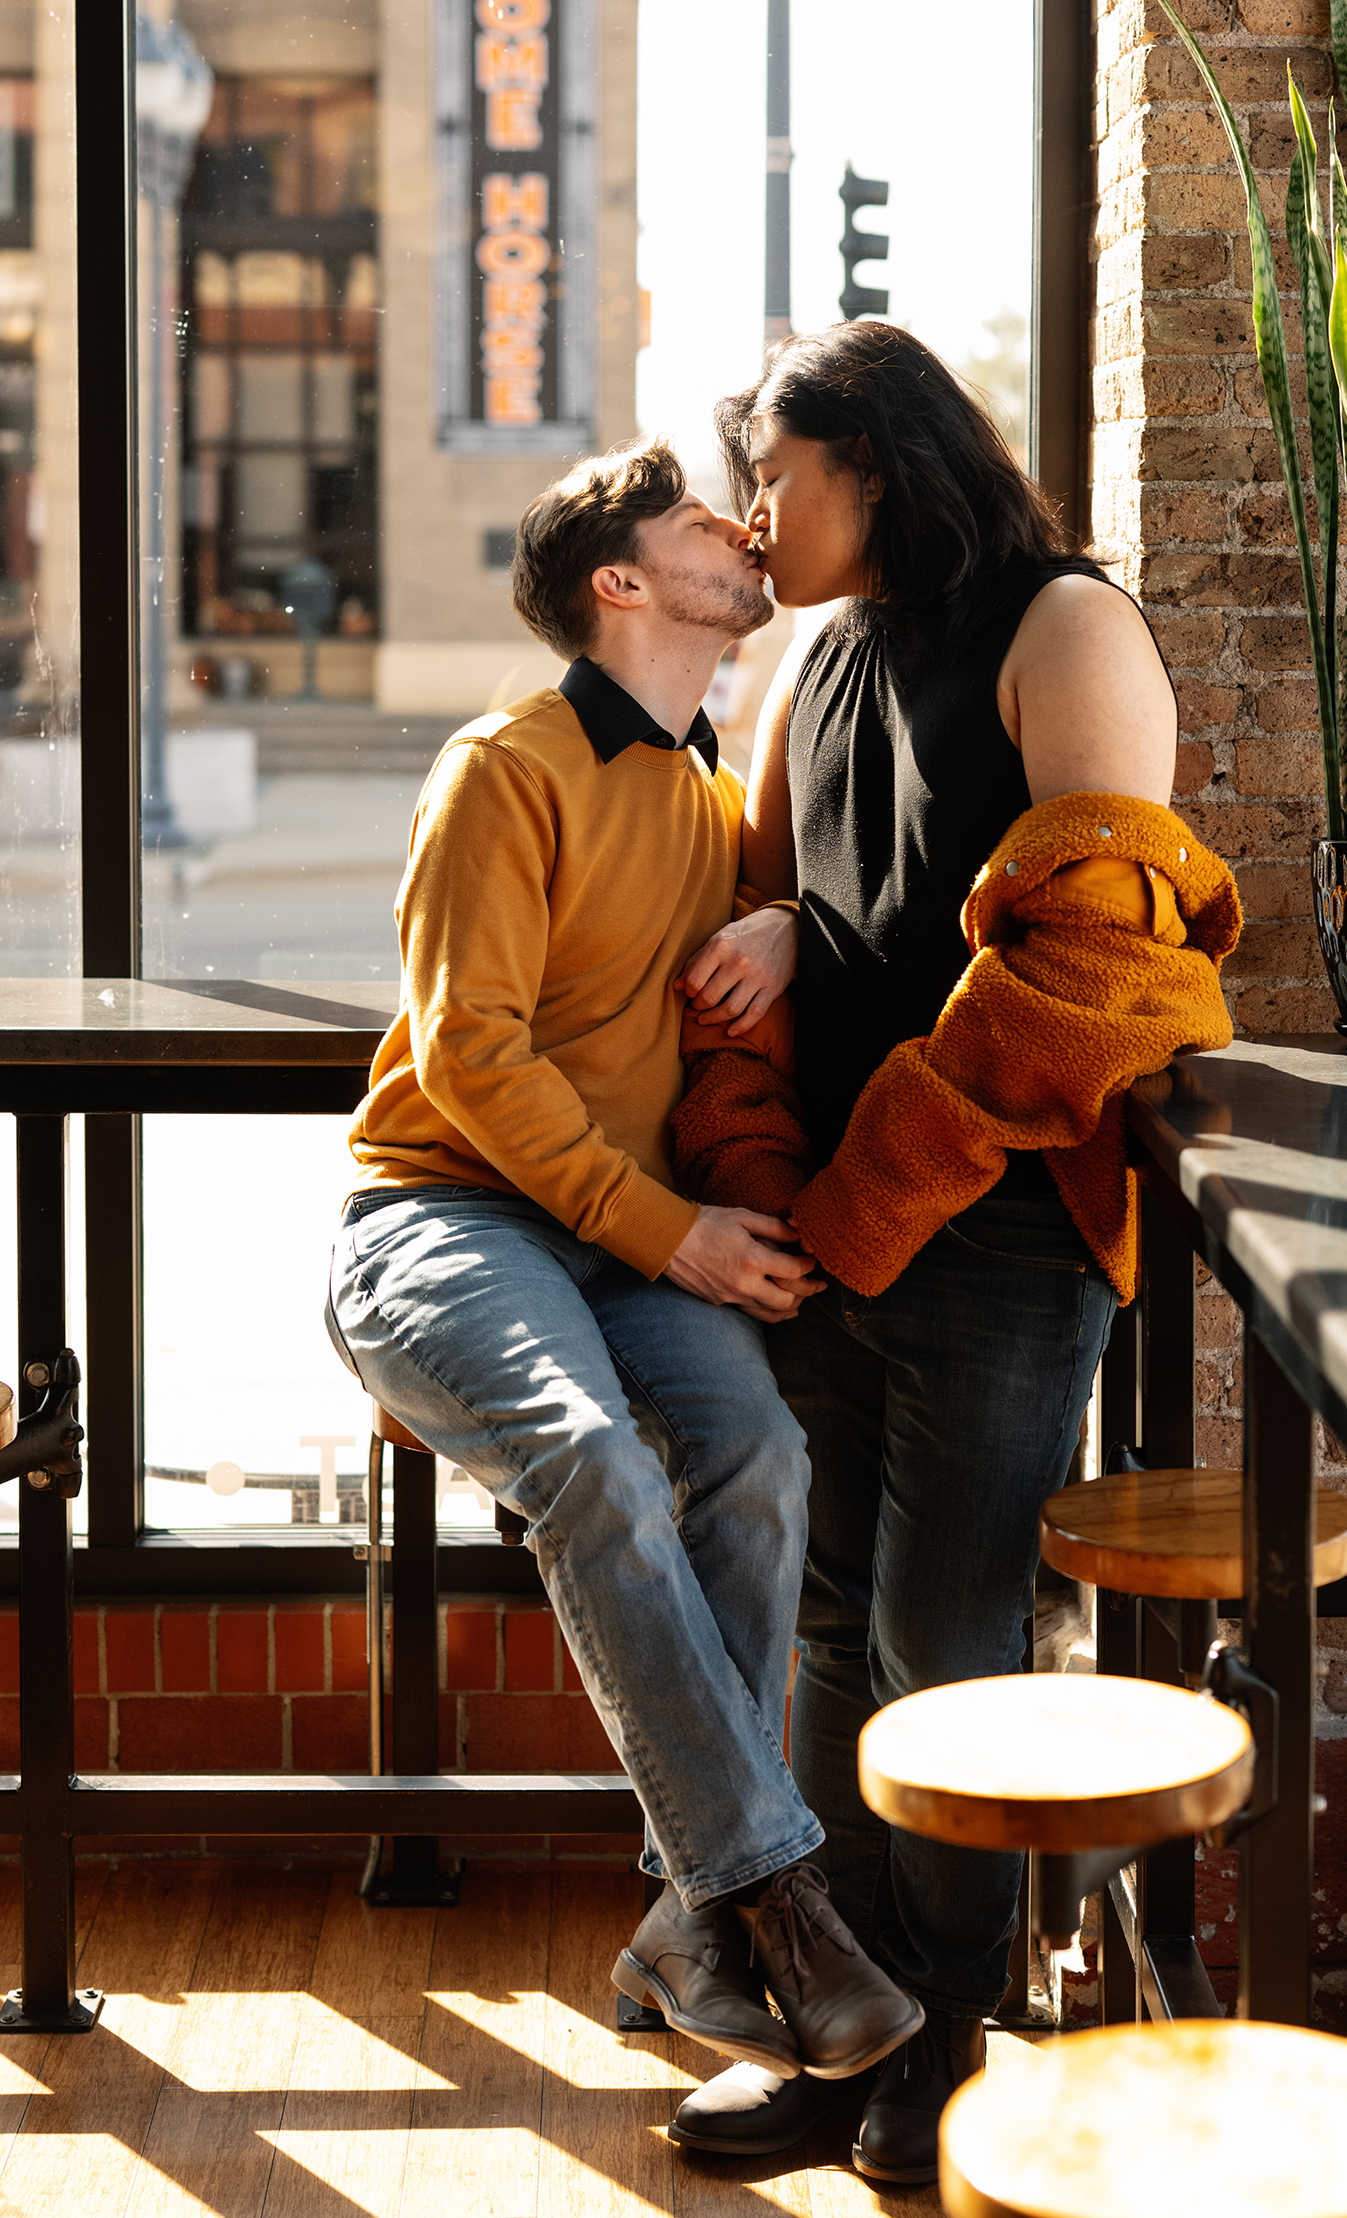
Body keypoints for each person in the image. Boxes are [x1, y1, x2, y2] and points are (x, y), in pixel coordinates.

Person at [667, 324, 1234, 2183]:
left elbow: (1090, 980)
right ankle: (851, 2022)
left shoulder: (1069, 626)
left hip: (993, 1235)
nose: (757, 514)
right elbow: (775, 896)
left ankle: (958, 2038)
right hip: (824, 1224)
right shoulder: (811, 663)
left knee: (945, 1630)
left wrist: (864, 1193)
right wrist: (758, 954)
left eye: (780, 473)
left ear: (879, 462)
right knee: (831, 1622)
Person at [325, 437, 924, 2092]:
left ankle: (682, 1925)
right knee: (592, 1460)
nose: (743, 531)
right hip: (439, 1221)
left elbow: (780, 914)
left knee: (756, 1457)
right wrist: (674, 1234)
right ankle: (782, 1908)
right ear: (622, 582)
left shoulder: (696, 787)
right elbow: (468, 1056)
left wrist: (787, 924)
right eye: (695, 522)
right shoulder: (506, 765)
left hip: (611, 1243)